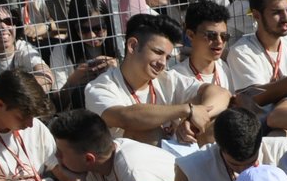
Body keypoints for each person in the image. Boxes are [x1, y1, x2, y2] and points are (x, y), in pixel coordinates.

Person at [84, 14, 231, 147]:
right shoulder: (101, 87)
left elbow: (220, 93)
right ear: (132, 46)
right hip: (128, 167)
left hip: (176, 159)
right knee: (148, 133)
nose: (162, 63)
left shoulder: (166, 79)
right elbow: (126, 117)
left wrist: (193, 119)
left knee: (218, 123)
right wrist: (186, 110)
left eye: (167, 57)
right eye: (158, 53)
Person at [47, 108, 175, 181]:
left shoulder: (132, 168)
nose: (57, 155)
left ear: (88, 159)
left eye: (61, 152)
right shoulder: (93, 168)